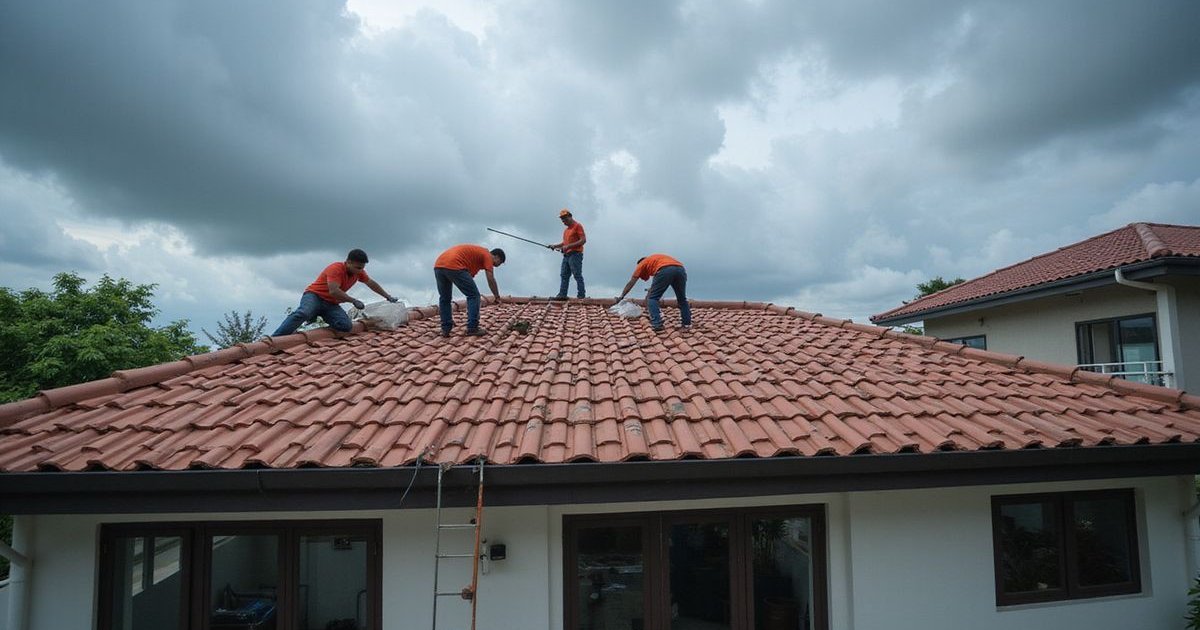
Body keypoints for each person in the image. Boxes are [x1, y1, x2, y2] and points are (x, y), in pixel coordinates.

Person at [271, 249, 398, 336]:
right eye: (358, 267)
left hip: (330, 304)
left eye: (362, 268)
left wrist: (388, 297)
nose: (360, 271)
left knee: (345, 326)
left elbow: (371, 283)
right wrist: (353, 300)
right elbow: (334, 291)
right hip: (314, 296)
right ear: (349, 262)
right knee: (303, 313)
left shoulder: (359, 273)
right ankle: (276, 338)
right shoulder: (336, 269)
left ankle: (317, 314)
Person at [433, 244, 506, 337]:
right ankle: (472, 328)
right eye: (499, 262)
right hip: (454, 263)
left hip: (439, 265)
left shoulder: (475, 259)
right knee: (474, 296)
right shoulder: (487, 255)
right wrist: (497, 296)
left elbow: (468, 278)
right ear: (496, 256)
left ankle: (446, 328)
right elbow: (490, 279)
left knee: (445, 298)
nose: (497, 265)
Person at [614, 254, 692, 331]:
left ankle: (657, 324)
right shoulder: (655, 260)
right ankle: (686, 324)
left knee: (653, 298)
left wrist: (622, 296)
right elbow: (656, 285)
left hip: (664, 270)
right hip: (681, 270)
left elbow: (631, 282)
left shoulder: (642, 263)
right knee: (682, 299)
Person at [550, 208, 586, 299]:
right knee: (564, 275)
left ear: (570, 216)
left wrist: (569, 246)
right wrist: (554, 246)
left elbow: (583, 240)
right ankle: (562, 295)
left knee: (577, 274)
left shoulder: (578, 226)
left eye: (565, 219)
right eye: (562, 220)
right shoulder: (566, 231)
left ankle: (581, 295)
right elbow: (564, 243)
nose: (564, 221)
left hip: (575, 254)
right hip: (567, 255)